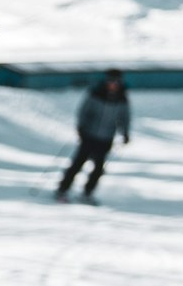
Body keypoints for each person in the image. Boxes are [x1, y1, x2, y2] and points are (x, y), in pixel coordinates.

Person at [56, 68, 131, 204]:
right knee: (78, 163)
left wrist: (124, 132)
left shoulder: (122, 98)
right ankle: (63, 189)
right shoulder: (95, 93)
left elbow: (124, 117)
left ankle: (87, 192)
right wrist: (81, 127)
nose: (113, 84)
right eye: (110, 80)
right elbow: (84, 111)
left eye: (116, 81)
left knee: (98, 168)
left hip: (106, 138)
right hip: (89, 135)